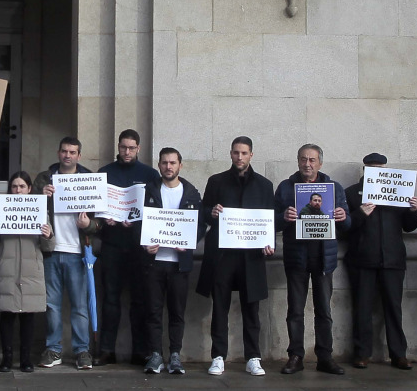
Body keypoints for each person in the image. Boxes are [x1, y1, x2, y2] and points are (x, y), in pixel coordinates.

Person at [197, 136, 275, 377]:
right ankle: (218, 356)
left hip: (251, 257)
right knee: (219, 307)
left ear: (251, 155)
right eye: (235, 153)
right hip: (223, 255)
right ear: (230, 154)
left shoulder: (264, 185)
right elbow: (204, 213)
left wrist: (268, 242)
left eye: (244, 153)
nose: (239, 157)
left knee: (251, 309)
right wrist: (211, 212)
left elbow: (269, 219)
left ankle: (253, 357)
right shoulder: (216, 181)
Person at [276, 143, 349, 376]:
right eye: (303, 159)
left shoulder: (334, 188)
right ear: (298, 161)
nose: (307, 164)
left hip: (324, 257)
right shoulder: (286, 188)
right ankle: (295, 356)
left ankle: (325, 357)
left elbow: (348, 225)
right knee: (295, 310)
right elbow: (273, 222)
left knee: (324, 311)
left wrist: (342, 216)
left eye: (312, 160)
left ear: (320, 163)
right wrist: (284, 217)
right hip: (296, 256)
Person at [342, 152, 417, 370]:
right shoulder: (352, 193)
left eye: (381, 168)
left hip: (393, 259)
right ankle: (361, 353)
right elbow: (343, 228)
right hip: (362, 259)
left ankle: (398, 354)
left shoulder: (400, 192)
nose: (377, 171)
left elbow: (409, 226)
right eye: (372, 168)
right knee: (362, 308)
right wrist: (359, 214)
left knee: (393, 308)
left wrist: (413, 210)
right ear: (364, 170)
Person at [33, 136, 100, 370]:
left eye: (72, 152)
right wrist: (41, 196)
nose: (67, 155)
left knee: (80, 305)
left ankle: (83, 351)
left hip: (78, 252)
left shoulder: (89, 179)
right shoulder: (44, 178)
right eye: (64, 151)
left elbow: (99, 221)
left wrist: (88, 226)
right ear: (58, 152)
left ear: (79, 156)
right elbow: (28, 210)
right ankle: (53, 349)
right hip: (51, 251)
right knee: (52, 305)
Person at [94, 128, 159, 366]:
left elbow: (154, 209)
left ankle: (140, 351)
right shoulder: (105, 173)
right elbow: (96, 207)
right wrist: (104, 217)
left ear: (139, 148)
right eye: (123, 147)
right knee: (110, 300)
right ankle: (106, 350)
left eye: (131, 148)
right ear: (118, 147)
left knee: (139, 300)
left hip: (138, 246)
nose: (127, 151)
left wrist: (137, 220)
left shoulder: (150, 174)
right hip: (111, 244)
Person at [140, 147, 204, 375]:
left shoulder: (191, 193)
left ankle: (175, 355)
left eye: (172, 163)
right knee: (153, 311)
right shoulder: (149, 190)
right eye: (164, 163)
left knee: (177, 312)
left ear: (180, 165)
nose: (168, 166)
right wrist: (145, 244)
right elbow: (140, 222)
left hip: (179, 264)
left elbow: (200, 225)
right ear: (159, 165)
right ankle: (155, 355)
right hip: (154, 262)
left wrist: (189, 242)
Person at [0, 171, 52, 373]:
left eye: (22, 186)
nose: (18, 190)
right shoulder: (0, 210)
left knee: (28, 318)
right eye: (14, 186)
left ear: (29, 189)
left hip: (31, 271)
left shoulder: (40, 211)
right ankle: (6, 358)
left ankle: (25, 359)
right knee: (7, 316)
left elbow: (48, 246)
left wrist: (48, 236)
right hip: (8, 270)